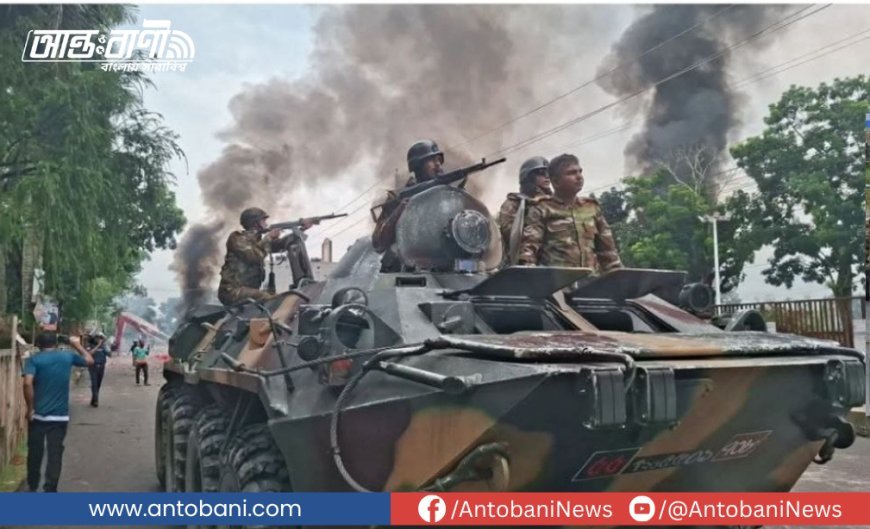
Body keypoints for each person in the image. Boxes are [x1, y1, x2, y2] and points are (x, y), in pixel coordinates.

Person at [517, 153, 623, 272]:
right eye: (571, 173)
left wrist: (618, 277)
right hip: (556, 282)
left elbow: (608, 251)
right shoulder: (541, 208)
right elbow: (529, 249)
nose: (579, 177)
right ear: (555, 181)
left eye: (580, 172)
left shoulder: (591, 207)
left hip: (591, 280)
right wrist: (530, 276)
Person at [22, 332, 94, 492]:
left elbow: (27, 383)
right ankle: (50, 488)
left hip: (38, 416)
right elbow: (89, 361)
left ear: (39, 345)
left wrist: (30, 408)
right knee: (55, 453)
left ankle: (32, 486)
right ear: (55, 344)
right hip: (59, 416)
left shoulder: (33, 360)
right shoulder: (67, 356)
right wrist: (77, 345)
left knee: (35, 452)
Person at [371, 139, 446, 272]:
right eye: (431, 161)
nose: (438, 165)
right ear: (417, 166)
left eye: (439, 160)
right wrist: (401, 209)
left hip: (442, 268)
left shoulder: (447, 197)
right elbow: (378, 243)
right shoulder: (398, 198)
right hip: (405, 270)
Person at [217, 207, 312, 306]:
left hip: (247, 291)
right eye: (263, 221)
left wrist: (300, 229)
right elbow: (253, 256)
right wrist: (269, 237)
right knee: (269, 299)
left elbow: (281, 243)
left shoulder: (258, 241)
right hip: (231, 292)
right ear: (255, 223)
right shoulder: (237, 237)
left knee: (276, 297)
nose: (266, 224)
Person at [496, 156, 552, 266]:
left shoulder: (554, 203)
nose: (547, 177)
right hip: (525, 262)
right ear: (529, 177)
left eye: (549, 173)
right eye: (541, 173)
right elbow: (512, 235)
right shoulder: (515, 203)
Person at [86, 332, 110, 407]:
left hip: (101, 367)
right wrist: (98, 345)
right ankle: (96, 400)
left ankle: (94, 399)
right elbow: (89, 353)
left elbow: (110, 354)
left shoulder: (103, 347)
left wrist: (107, 346)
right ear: (94, 338)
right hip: (93, 367)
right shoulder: (90, 346)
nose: (99, 339)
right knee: (94, 383)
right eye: (98, 338)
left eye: (100, 338)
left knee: (98, 384)